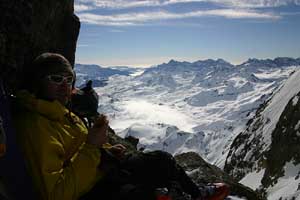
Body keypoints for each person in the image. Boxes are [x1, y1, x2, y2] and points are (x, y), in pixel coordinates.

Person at [12, 52, 229, 200]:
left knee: (161, 160)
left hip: (99, 170)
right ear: (38, 82)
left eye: (69, 79)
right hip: (86, 190)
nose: (65, 86)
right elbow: (56, 193)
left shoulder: (64, 114)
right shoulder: (34, 125)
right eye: (56, 79)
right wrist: (93, 147)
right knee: (142, 194)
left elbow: (80, 148)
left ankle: (197, 194)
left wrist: (106, 150)